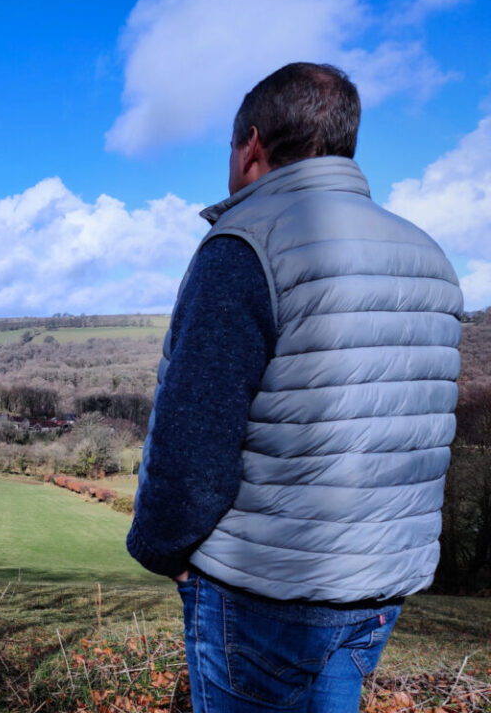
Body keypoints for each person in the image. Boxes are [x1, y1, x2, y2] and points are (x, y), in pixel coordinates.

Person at [126, 62, 463, 712]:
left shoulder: (248, 243)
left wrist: (163, 549)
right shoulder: (432, 258)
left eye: (230, 148)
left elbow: (193, 439)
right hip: (378, 588)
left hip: (264, 589)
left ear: (252, 144)